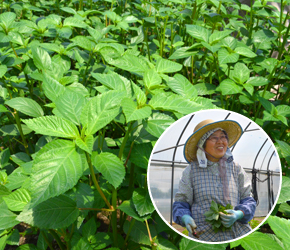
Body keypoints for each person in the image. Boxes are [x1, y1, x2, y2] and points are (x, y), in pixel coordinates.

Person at [172, 119, 257, 242]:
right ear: (202, 144)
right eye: (214, 138)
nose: (220, 141)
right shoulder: (191, 171)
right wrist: (184, 217)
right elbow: (181, 202)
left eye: (223, 137)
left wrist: (239, 214)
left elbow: (248, 200)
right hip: (205, 237)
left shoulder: (235, 168)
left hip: (238, 235)